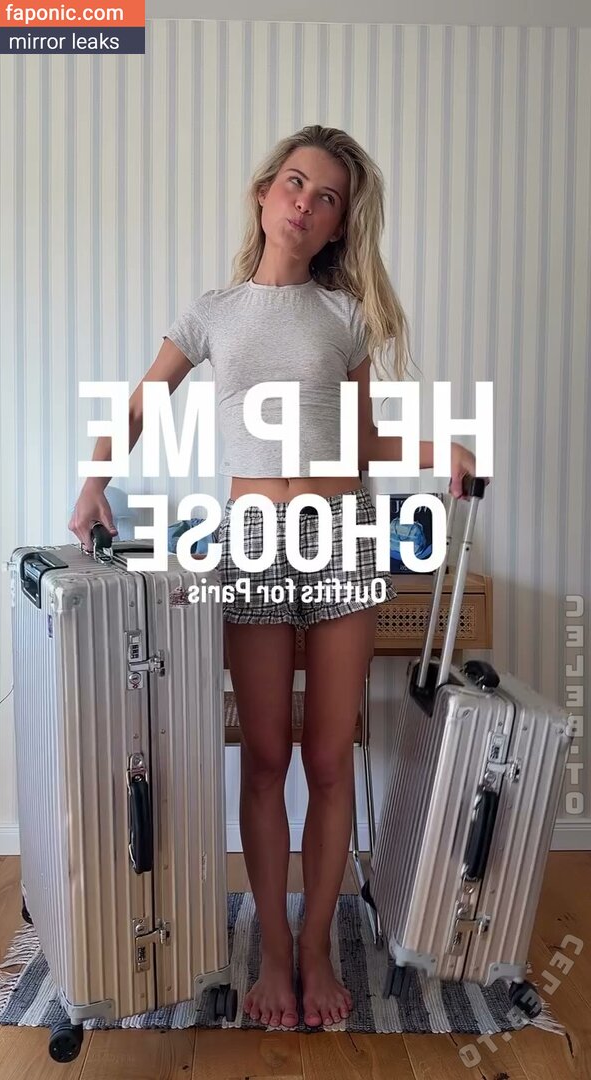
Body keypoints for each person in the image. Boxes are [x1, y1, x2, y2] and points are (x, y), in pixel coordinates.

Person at [69, 125, 477, 1030]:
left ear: (337, 226)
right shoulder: (212, 312)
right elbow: (140, 404)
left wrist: (436, 448)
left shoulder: (345, 316)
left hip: (342, 535)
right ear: (264, 194)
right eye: (295, 183)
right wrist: (94, 482)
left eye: (327, 197)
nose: (305, 203)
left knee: (328, 758)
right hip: (251, 538)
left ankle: (317, 944)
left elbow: (361, 443)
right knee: (265, 756)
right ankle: (275, 949)